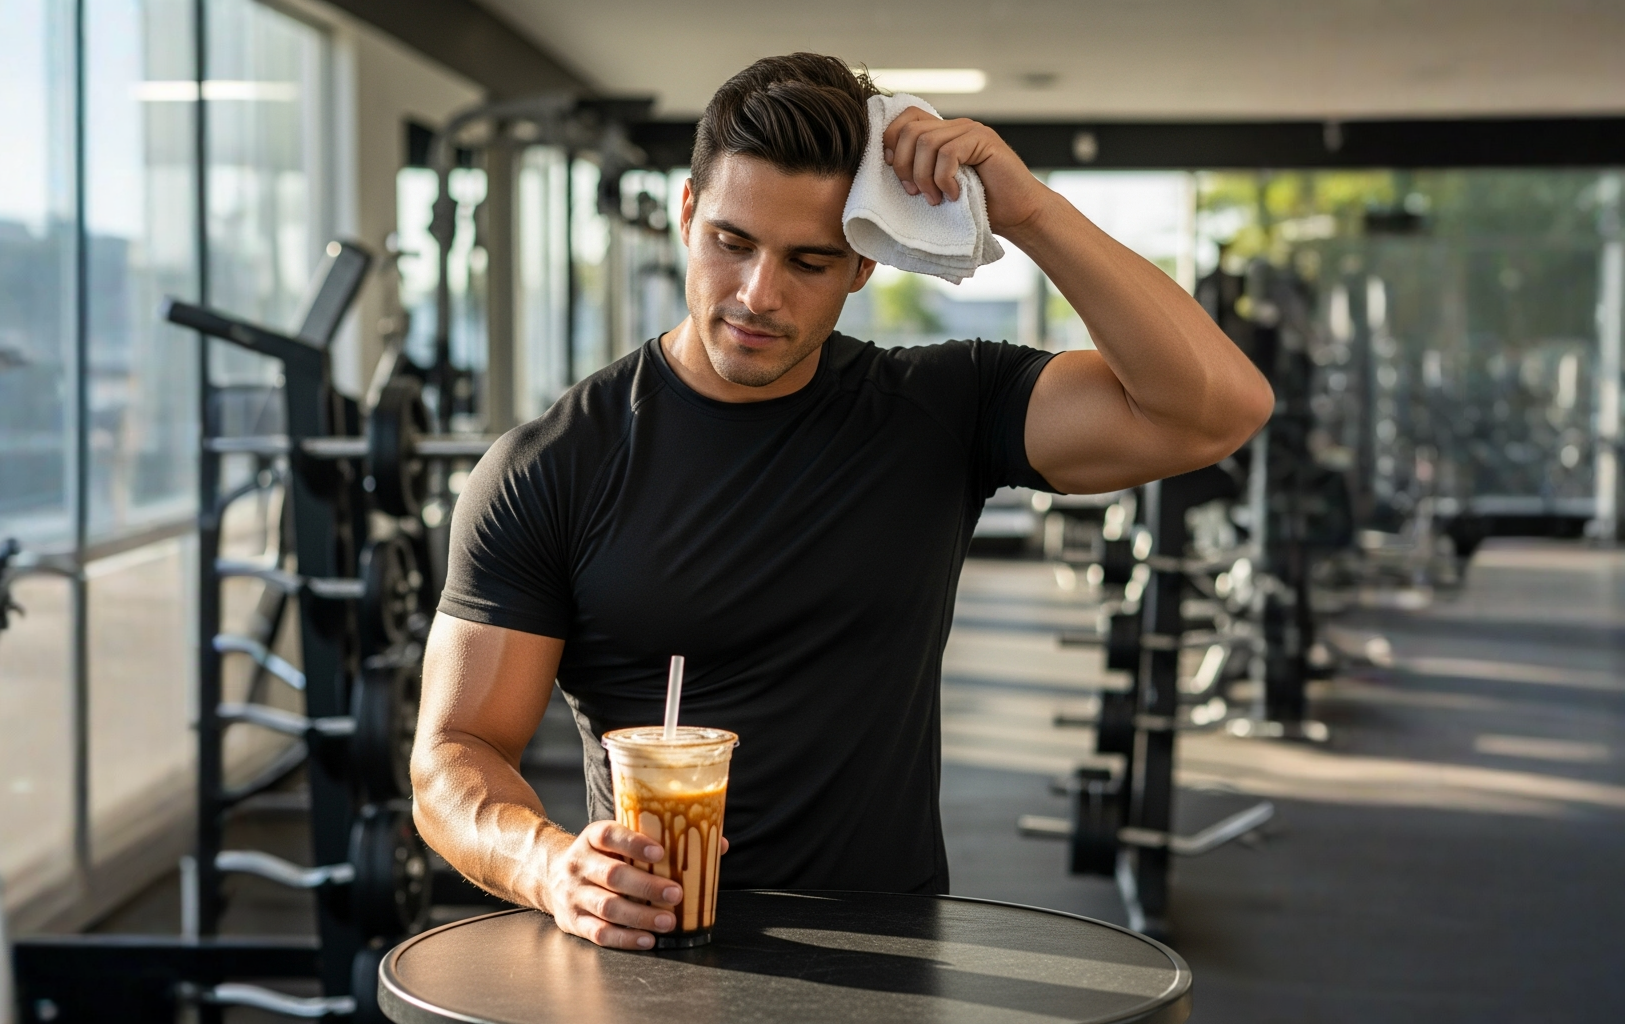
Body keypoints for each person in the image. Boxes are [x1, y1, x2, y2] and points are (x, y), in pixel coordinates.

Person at [411, 52, 1273, 951]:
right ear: (686, 216)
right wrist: (549, 866)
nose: (758, 295)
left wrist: (1029, 212)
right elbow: (454, 754)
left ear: (862, 265)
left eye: (809, 261)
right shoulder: (553, 466)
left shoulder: (942, 409)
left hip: (893, 961)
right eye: (732, 243)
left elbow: (1217, 410)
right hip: (651, 954)